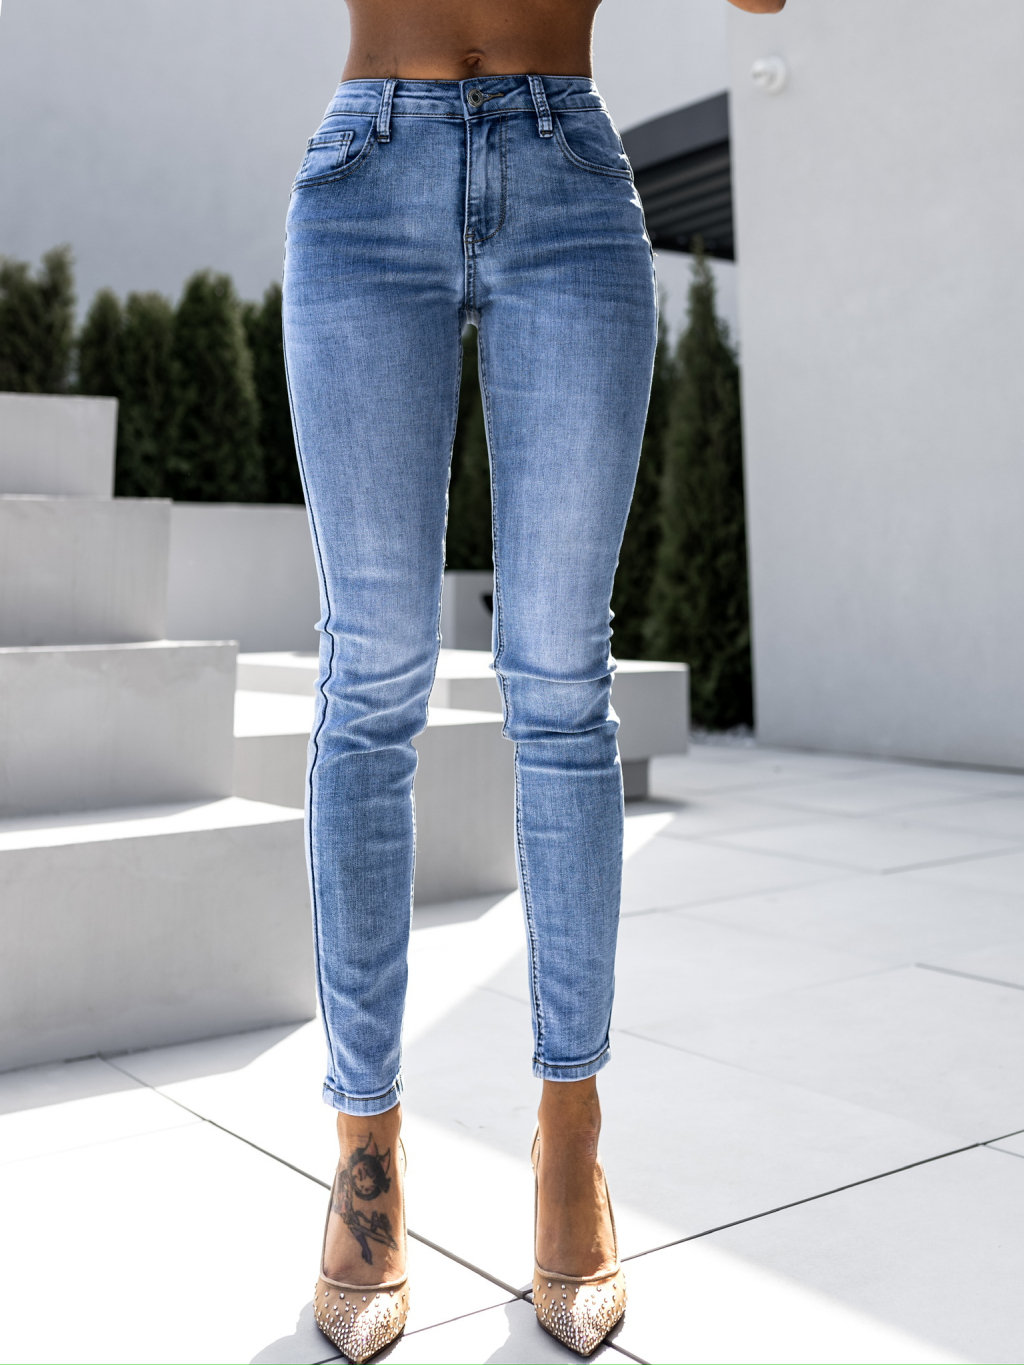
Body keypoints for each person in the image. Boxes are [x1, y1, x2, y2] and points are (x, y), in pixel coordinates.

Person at [282, 0, 785, 1357]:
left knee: (561, 681)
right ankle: (366, 1157)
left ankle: (572, 1140)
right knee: (370, 677)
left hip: (566, 174)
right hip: (368, 169)